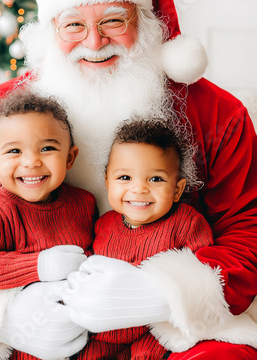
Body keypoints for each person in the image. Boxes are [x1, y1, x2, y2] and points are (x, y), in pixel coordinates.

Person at [0, 0, 257, 360]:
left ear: (150, 24)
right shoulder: (2, 114)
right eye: (74, 26)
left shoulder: (217, 114)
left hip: (165, 332)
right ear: (52, 33)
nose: (94, 42)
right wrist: (1, 313)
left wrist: (161, 293)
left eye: (114, 20)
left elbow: (248, 227)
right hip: (37, 327)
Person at [0, 88, 97, 360]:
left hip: (81, 331)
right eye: (14, 151)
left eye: (47, 148)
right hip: (25, 339)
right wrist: (41, 265)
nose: (31, 161)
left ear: (70, 158)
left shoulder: (84, 202)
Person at [75, 117, 214, 360]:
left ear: (177, 189)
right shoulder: (104, 224)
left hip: (156, 328)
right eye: (125, 178)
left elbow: (202, 279)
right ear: (107, 181)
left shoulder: (186, 223)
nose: (139, 189)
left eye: (156, 179)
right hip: (107, 330)